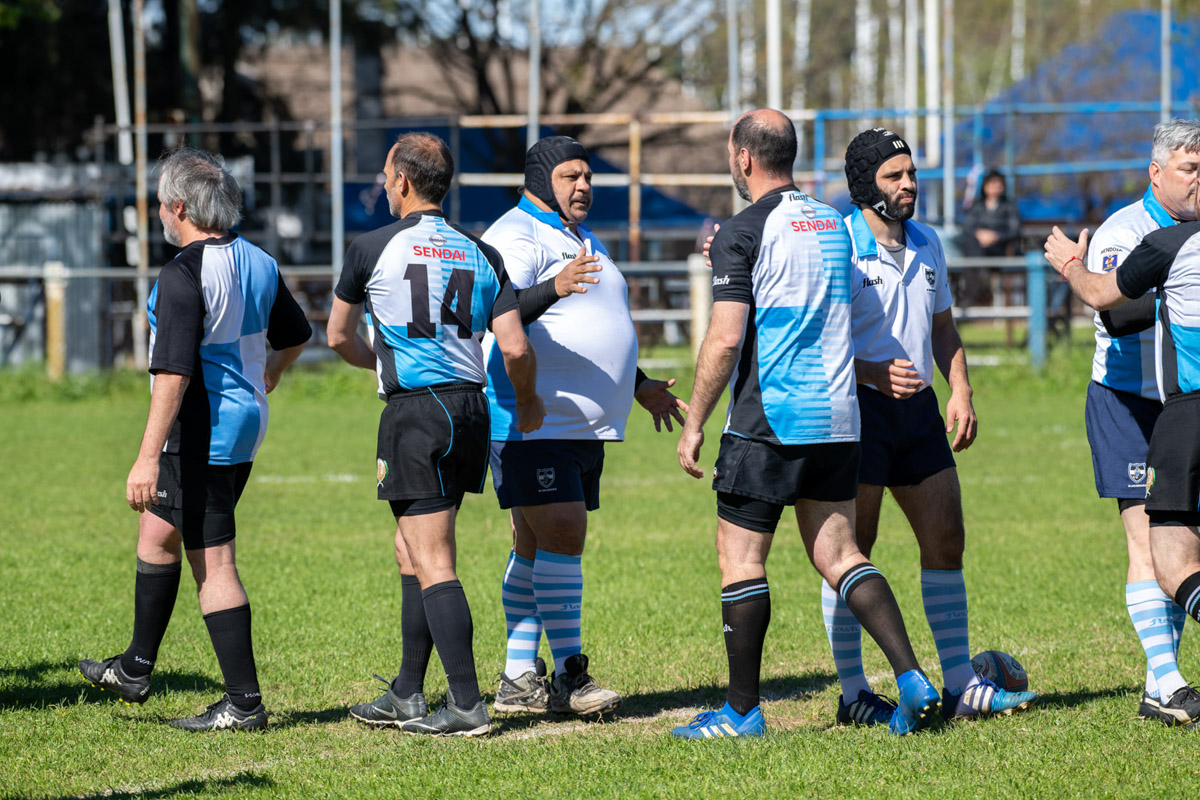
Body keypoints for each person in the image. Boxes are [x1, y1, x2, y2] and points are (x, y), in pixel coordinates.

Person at [671, 109, 942, 739]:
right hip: (840, 420)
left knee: (740, 559)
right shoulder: (833, 224)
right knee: (841, 554)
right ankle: (910, 677)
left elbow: (726, 338)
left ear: (743, 157)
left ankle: (741, 713)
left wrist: (696, 423)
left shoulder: (745, 230)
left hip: (770, 420)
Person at [79, 146, 312, 731]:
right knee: (156, 531)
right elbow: (298, 331)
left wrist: (145, 457)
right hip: (241, 425)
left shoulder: (182, 273)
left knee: (214, 560)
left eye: (160, 202)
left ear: (179, 206)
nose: (158, 212)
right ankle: (135, 667)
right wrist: (270, 377)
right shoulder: (257, 258)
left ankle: (244, 704)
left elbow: (173, 372)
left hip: (203, 433)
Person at [816, 128, 1037, 727]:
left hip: (917, 417)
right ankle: (853, 690)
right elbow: (814, 339)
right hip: (855, 416)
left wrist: (959, 387)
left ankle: (962, 683)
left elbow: (943, 329)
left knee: (946, 540)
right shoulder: (836, 242)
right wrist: (871, 371)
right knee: (850, 554)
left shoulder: (928, 241)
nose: (909, 184)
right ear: (866, 185)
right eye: (895, 175)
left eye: (911, 173)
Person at [328, 132, 545, 737]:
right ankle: (405, 692)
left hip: (416, 412)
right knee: (411, 551)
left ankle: (469, 705)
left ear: (400, 181)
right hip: (470, 410)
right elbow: (515, 345)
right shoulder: (479, 252)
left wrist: (379, 360)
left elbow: (337, 335)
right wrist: (526, 401)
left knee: (433, 558)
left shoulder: (372, 247)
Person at [482, 135, 687, 717]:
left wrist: (637, 382)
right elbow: (495, 310)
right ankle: (571, 678)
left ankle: (519, 677)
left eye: (588, 177)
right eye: (571, 176)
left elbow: (592, 319)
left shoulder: (576, 236)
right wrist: (555, 285)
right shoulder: (514, 235)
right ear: (543, 178)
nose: (584, 186)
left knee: (535, 543)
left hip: (578, 426)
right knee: (565, 533)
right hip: (532, 415)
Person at [1046, 118, 1200, 726]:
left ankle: (1157, 681)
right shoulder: (1126, 231)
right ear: (1156, 173)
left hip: (1181, 405)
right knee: (1147, 540)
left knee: (1183, 543)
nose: (1199, 181)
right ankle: (1167, 684)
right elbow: (1120, 314)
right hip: (1129, 401)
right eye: (1189, 169)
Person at [961, 169, 1021, 257]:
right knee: (972, 246)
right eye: (992, 184)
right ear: (985, 186)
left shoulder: (1009, 206)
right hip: (977, 244)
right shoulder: (978, 206)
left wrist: (996, 236)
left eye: (998, 184)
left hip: (1000, 246)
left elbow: (1014, 230)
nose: (995, 187)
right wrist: (979, 234)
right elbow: (968, 226)